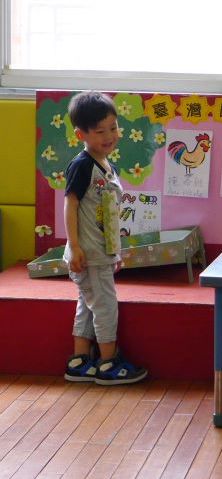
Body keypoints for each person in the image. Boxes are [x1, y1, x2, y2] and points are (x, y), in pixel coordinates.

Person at [63, 91, 147, 385]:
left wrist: (115, 252)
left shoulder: (106, 165)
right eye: (100, 132)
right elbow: (70, 204)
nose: (109, 136)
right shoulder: (82, 165)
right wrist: (75, 246)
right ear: (81, 135)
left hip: (100, 252)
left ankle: (79, 361)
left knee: (88, 305)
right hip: (89, 252)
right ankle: (108, 362)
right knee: (105, 306)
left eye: (113, 128)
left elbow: (108, 215)